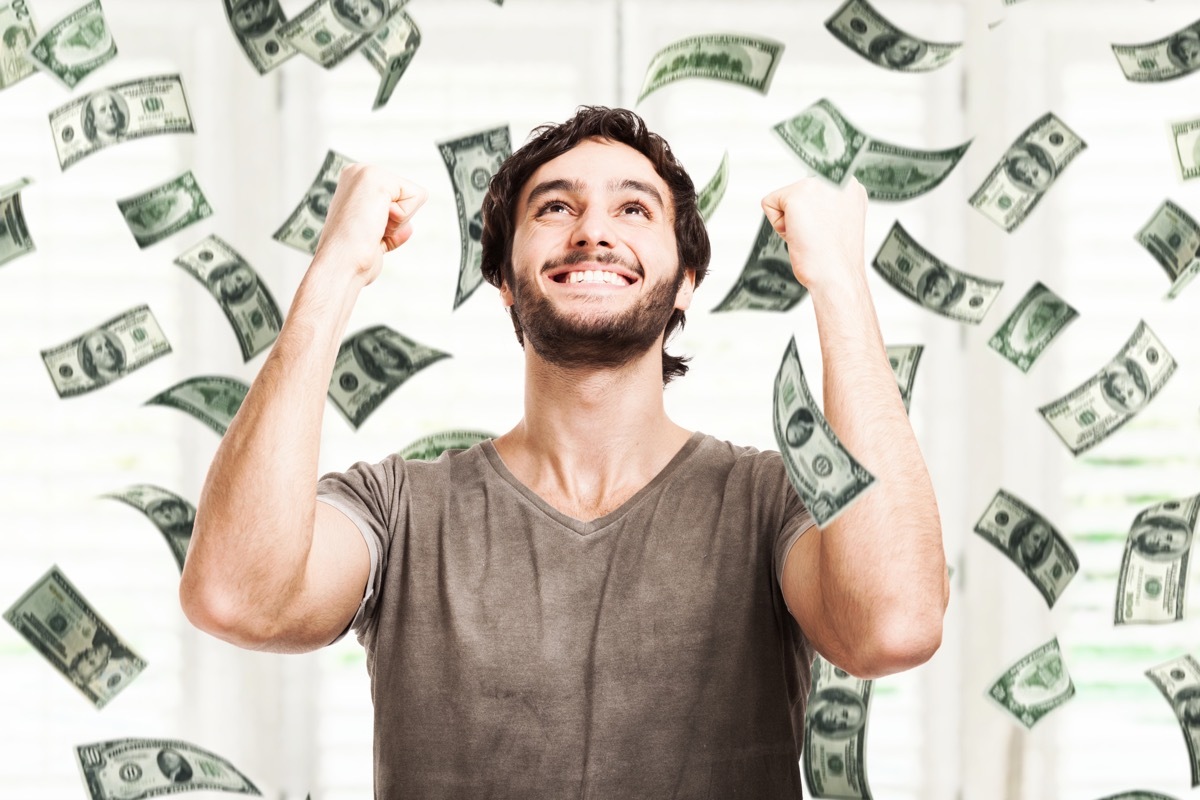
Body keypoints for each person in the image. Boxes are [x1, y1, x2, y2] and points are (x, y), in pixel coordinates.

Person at [180, 106, 948, 797]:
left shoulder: (772, 504)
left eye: (633, 209)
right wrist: (333, 273)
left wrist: (841, 282)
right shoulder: (397, 511)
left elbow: (895, 626)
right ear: (506, 284)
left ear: (686, 282)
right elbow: (236, 597)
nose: (592, 230)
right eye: (555, 207)